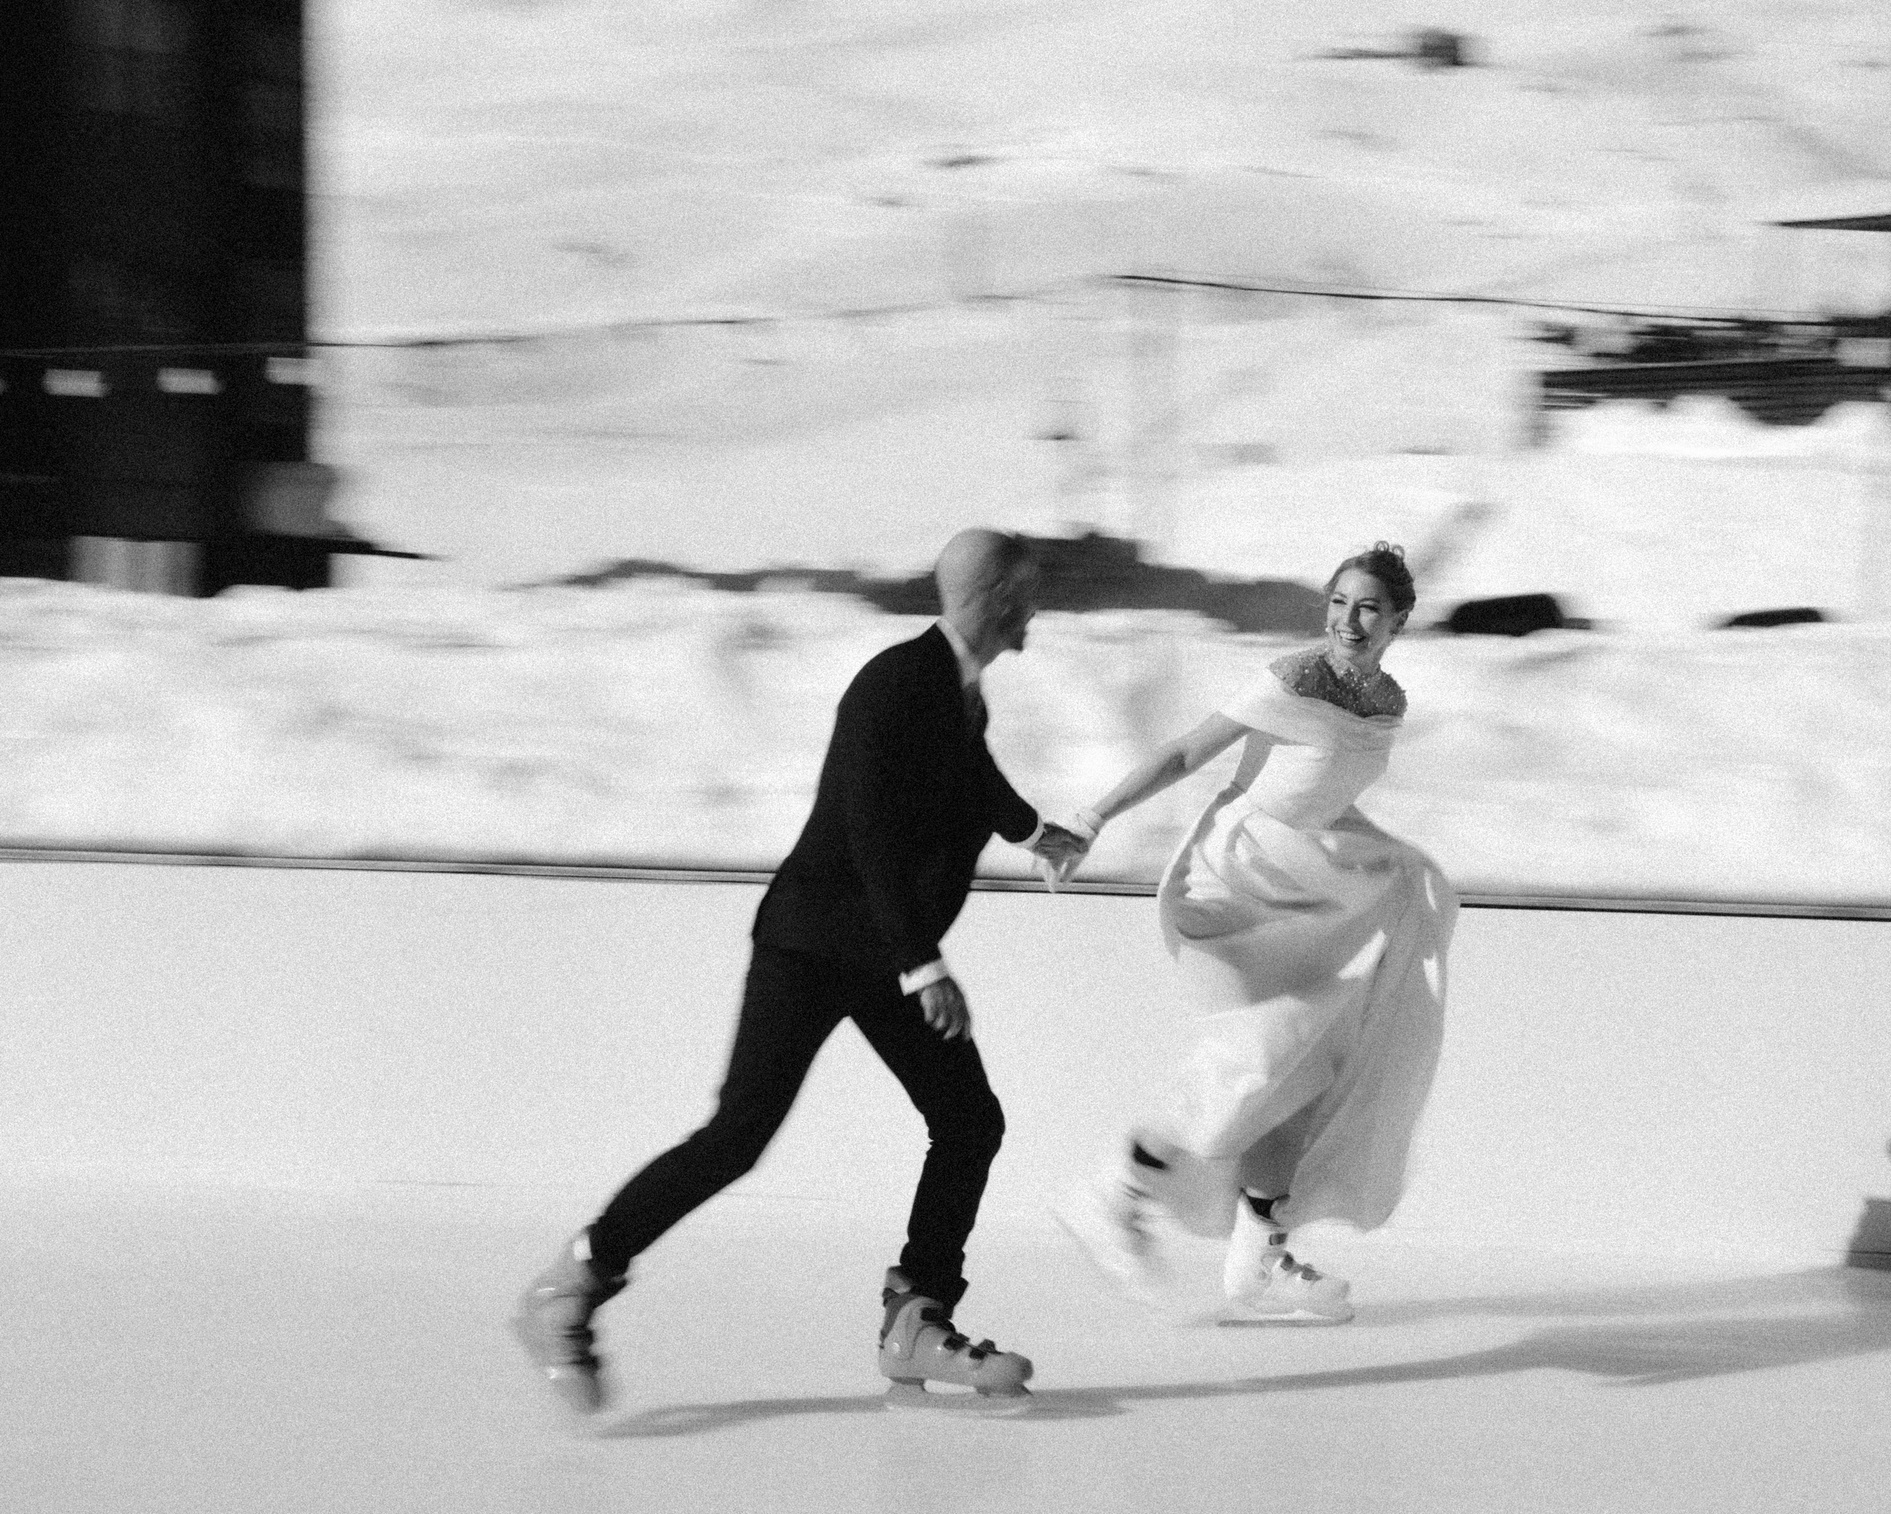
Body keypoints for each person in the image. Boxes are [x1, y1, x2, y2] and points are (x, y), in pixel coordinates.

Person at [511, 528, 1090, 1412]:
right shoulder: (892, 684)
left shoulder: (957, 694)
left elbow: (969, 778)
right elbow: (864, 832)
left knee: (969, 1120)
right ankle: (574, 1282)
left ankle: (916, 1317)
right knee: (737, 1135)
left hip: (884, 955)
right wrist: (924, 961)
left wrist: (1033, 831)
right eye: (1030, 589)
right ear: (997, 595)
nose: (1038, 607)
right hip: (814, 946)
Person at [1053, 542, 1457, 1323]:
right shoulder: (1294, 677)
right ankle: (1113, 1194)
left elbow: (1322, 795)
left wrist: (1394, 858)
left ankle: (1259, 1257)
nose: (1348, 620)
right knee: (1259, 1054)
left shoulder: (1388, 702)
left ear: (1399, 619)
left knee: (1309, 1066)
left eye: (1368, 606)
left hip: (1295, 889)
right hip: (1224, 883)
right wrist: (1090, 817)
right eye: (1338, 602)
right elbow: (1183, 752)